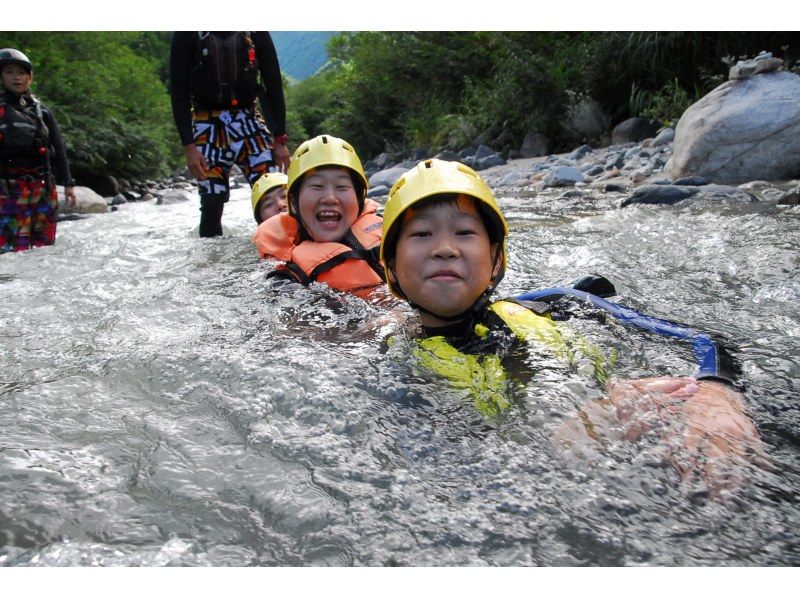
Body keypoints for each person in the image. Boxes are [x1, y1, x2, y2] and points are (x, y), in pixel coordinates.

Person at [379, 158, 765, 492]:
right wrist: (582, 430)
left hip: (668, 415)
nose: (444, 247)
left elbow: (702, 340)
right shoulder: (400, 363)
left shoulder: (563, 302)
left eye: (465, 232)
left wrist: (717, 394)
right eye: (421, 233)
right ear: (392, 265)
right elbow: (457, 470)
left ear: (495, 259)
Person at [169, 32, 290, 237]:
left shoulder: (255, 31)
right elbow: (178, 90)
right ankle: (211, 264)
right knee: (211, 202)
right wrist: (188, 146)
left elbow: (273, 83)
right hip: (206, 123)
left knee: (273, 194)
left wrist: (280, 139)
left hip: (248, 119)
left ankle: (282, 253)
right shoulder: (187, 33)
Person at [252, 134, 385, 297]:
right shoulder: (286, 279)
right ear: (294, 202)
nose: (330, 198)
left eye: (342, 186)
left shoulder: (395, 237)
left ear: (359, 199)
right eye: (316, 186)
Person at [0, 48, 76, 254]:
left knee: (44, 248)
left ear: (29, 77)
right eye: (9, 72)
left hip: (42, 187)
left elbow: (58, 148)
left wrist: (68, 183)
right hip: (8, 189)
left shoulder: (41, 111)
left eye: (21, 72)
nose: (16, 77)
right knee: (10, 248)